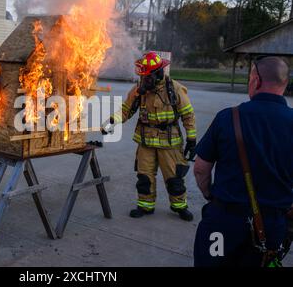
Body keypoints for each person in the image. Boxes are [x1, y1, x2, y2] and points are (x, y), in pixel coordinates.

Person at [194, 56, 293, 267]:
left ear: (256, 80)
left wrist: (209, 194)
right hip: (271, 228)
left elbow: (201, 169)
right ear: (284, 83)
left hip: (222, 225)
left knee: (213, 262)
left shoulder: (228, 117)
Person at [102, 52, 197, 221]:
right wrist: (112, 121)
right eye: (143, 77)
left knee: (174, 177)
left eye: (147, 77)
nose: (144, 81)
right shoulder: (140, 90)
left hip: (170, 143)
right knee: (144, 176)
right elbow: (126, 110)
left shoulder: (175, 89)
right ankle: (145, 206)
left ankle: (180, 206)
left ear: (158, 73)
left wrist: (191, 139)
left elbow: (188, 115)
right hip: (145, 141)